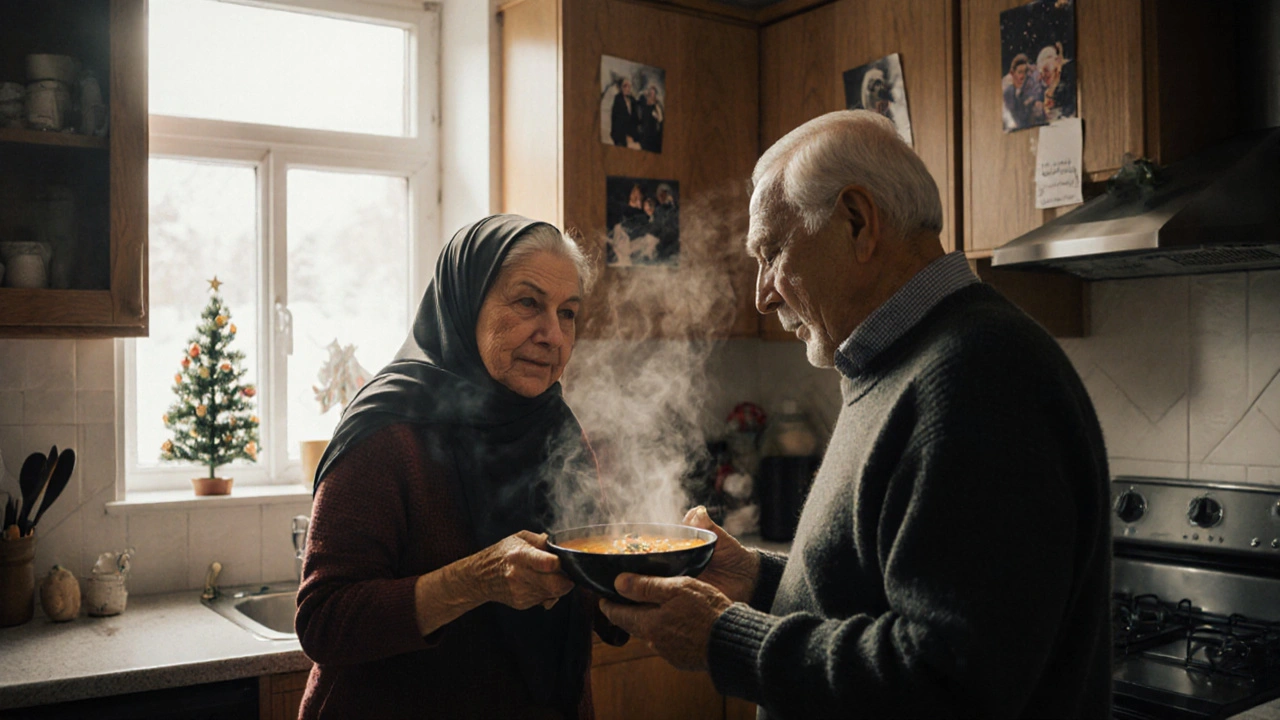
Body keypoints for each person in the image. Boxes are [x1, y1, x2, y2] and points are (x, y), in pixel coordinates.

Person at [599, 110, 1112, 718]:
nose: (762, 294)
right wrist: (760, 582)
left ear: (856, 221)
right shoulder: (900, 363)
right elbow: (880, 596)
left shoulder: (978, 375)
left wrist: (723, 637)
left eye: (772, 252)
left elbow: (951, 682)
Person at [296, 214, 624, 719]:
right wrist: (474, 581)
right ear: (465, 302)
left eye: (569, 313)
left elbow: (581, 576)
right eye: (528, 303)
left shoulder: (554, 423)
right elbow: (324, 621)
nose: (553, 336)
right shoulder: (389, 430)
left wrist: (636, 583)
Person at [1002, 53, 1044, 131]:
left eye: (1025, 72)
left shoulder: (1029, 91)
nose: (1023, 76)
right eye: (1020, 72)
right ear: (1012, 73)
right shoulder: (1007, 93)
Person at [1037, 43, 1076, 122]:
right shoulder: (1050, 90)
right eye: (1041, 73)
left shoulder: (1070, 72)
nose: (1043, 76)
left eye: (1046, 69)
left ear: (1057, 60)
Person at [609, 77, 640, 150]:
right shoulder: (618, 100)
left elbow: (635, 119)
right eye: (625, 86)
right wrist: (626, 137)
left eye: (629, 86)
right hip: (621, 136)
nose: (627, 88)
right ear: (620, 88)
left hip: (632, 135)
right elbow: (617, 122)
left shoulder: (632, 100)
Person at [637, 85, 664, 153]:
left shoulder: (656, 105)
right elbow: (640, 97)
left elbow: (661, 119)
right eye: (650, 93)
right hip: (644, 132)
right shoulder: (645, 103)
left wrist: (656, 116)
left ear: (655, 95)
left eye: (652, 93)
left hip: (652, 132)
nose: (651, 95)